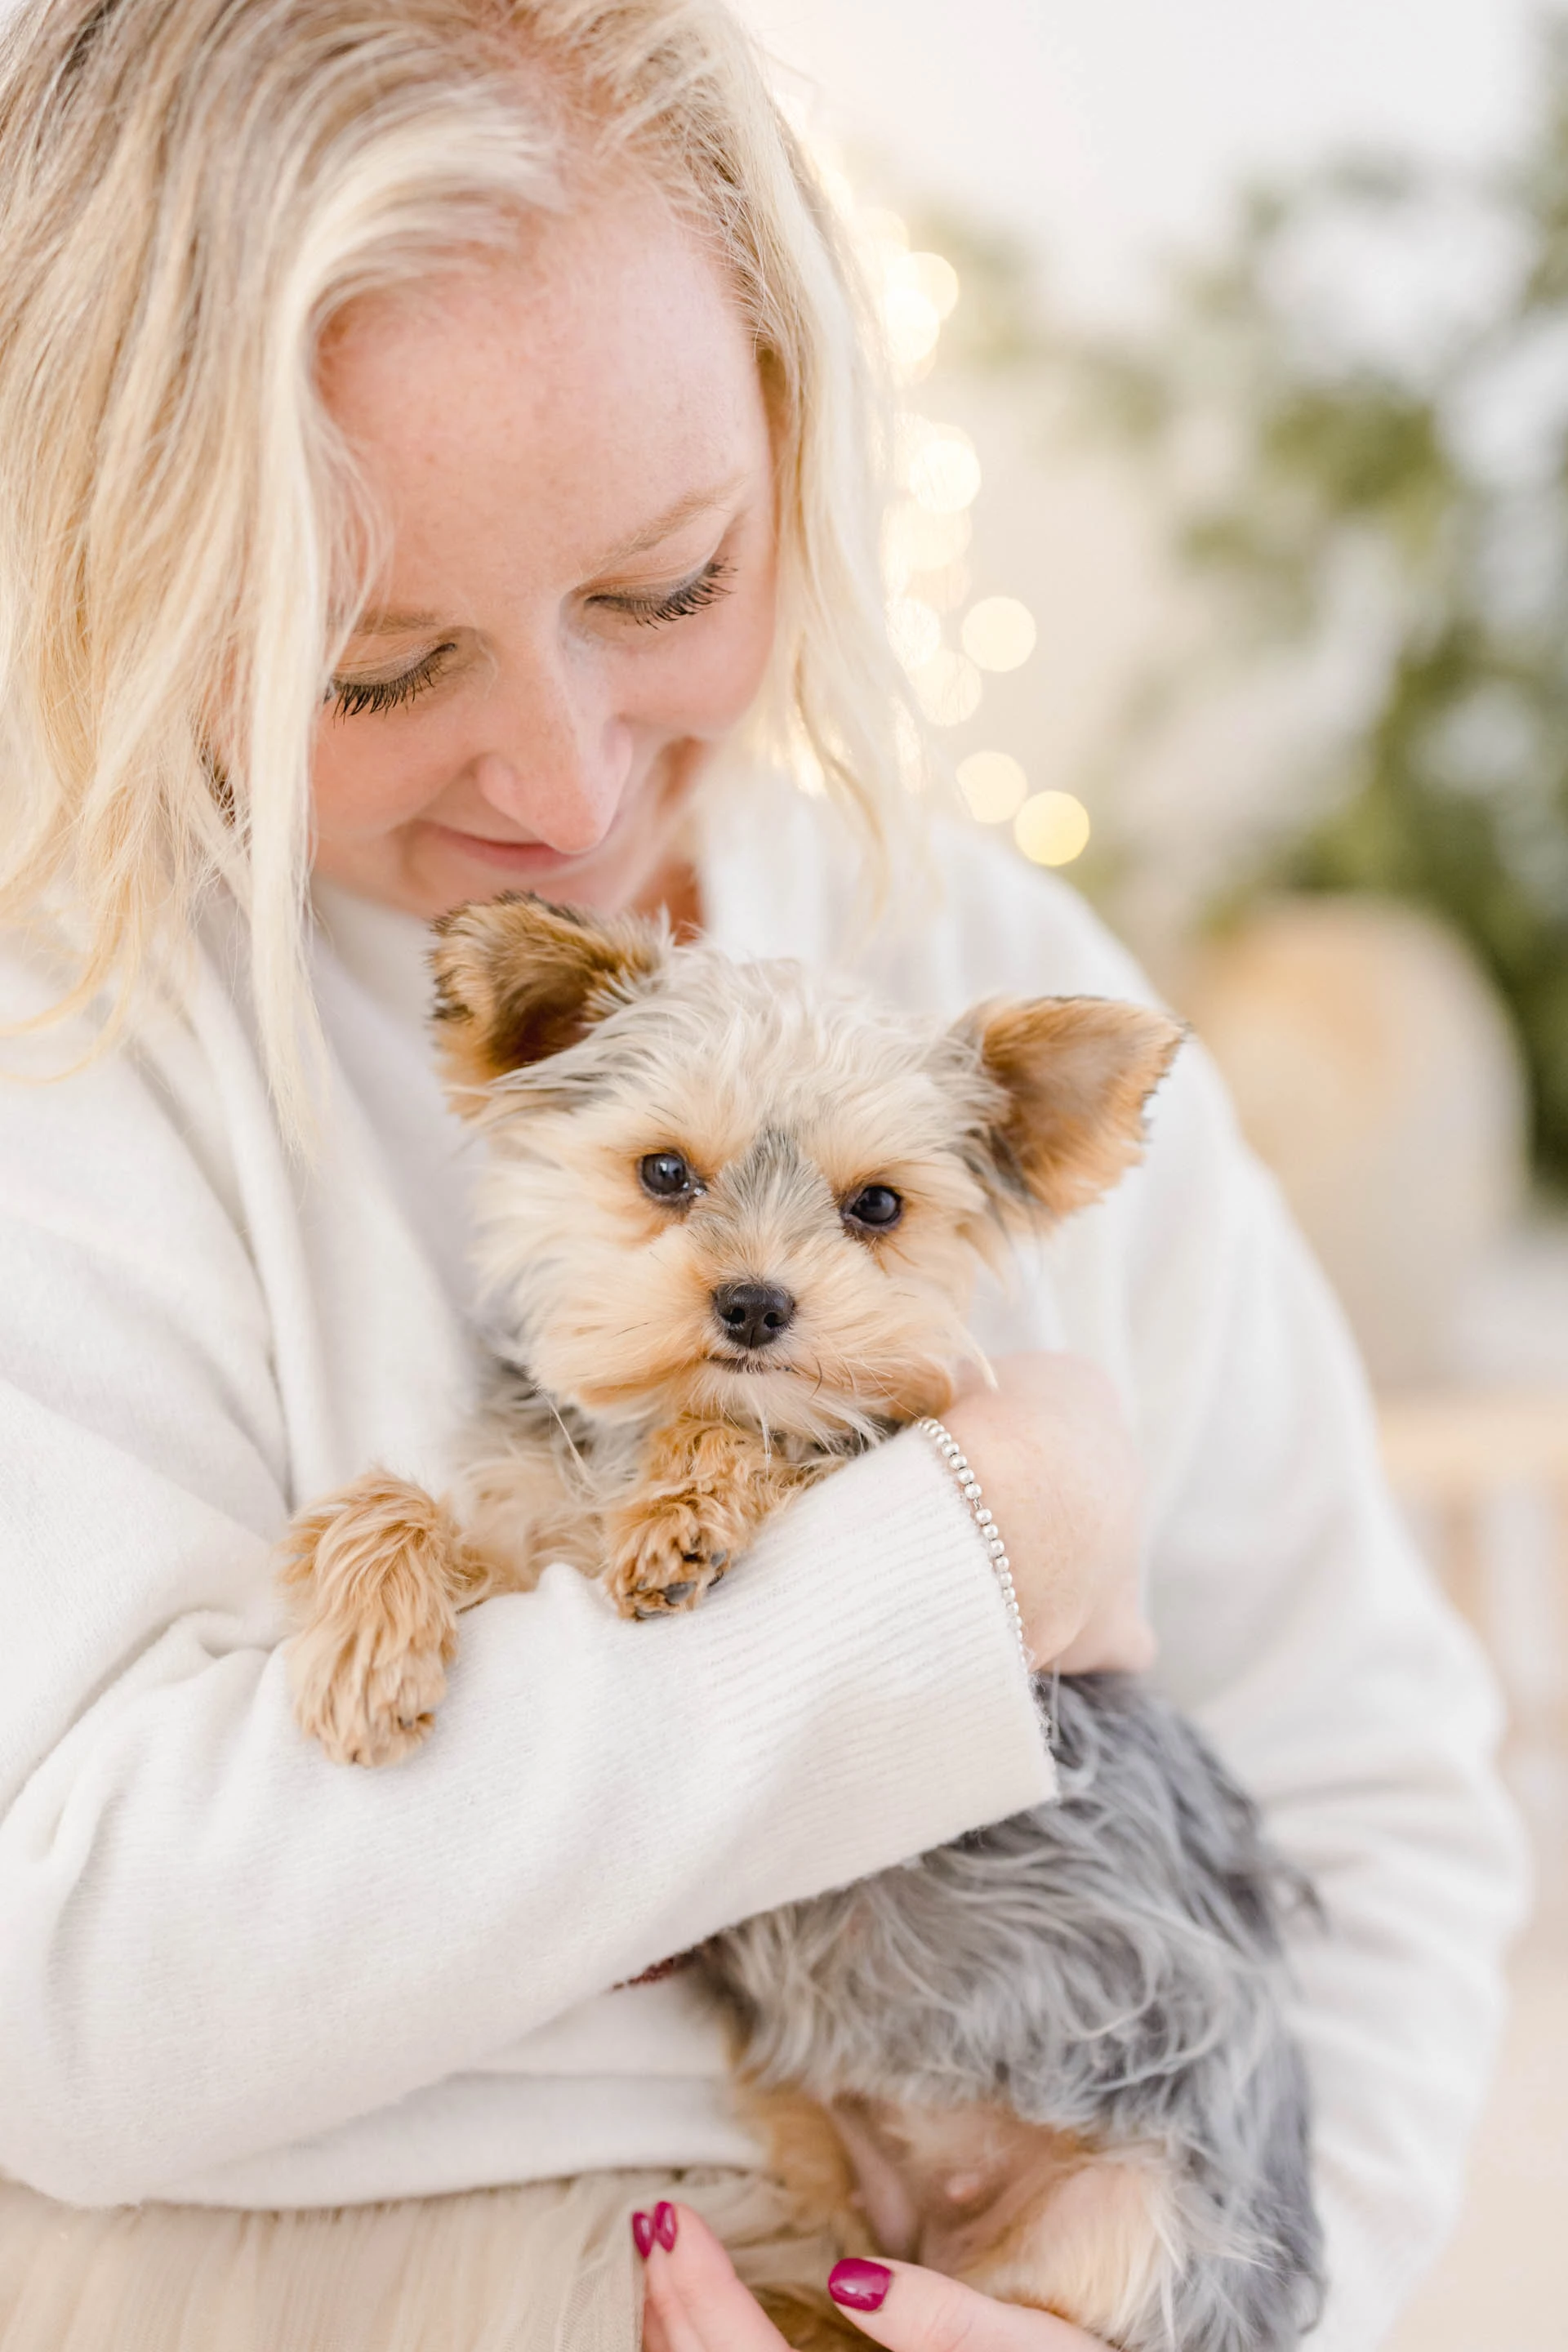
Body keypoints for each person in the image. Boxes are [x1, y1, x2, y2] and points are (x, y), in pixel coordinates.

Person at [0, 2, 1524, 2349]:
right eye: (379, 668)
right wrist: (959, 1570)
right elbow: (81, 1993)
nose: (571, 781)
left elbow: (1377, 1798)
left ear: (801, 427)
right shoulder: (74, 1034)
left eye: (662, 584)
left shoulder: (982, 955)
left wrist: (1206, 2318)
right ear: (138, 593)